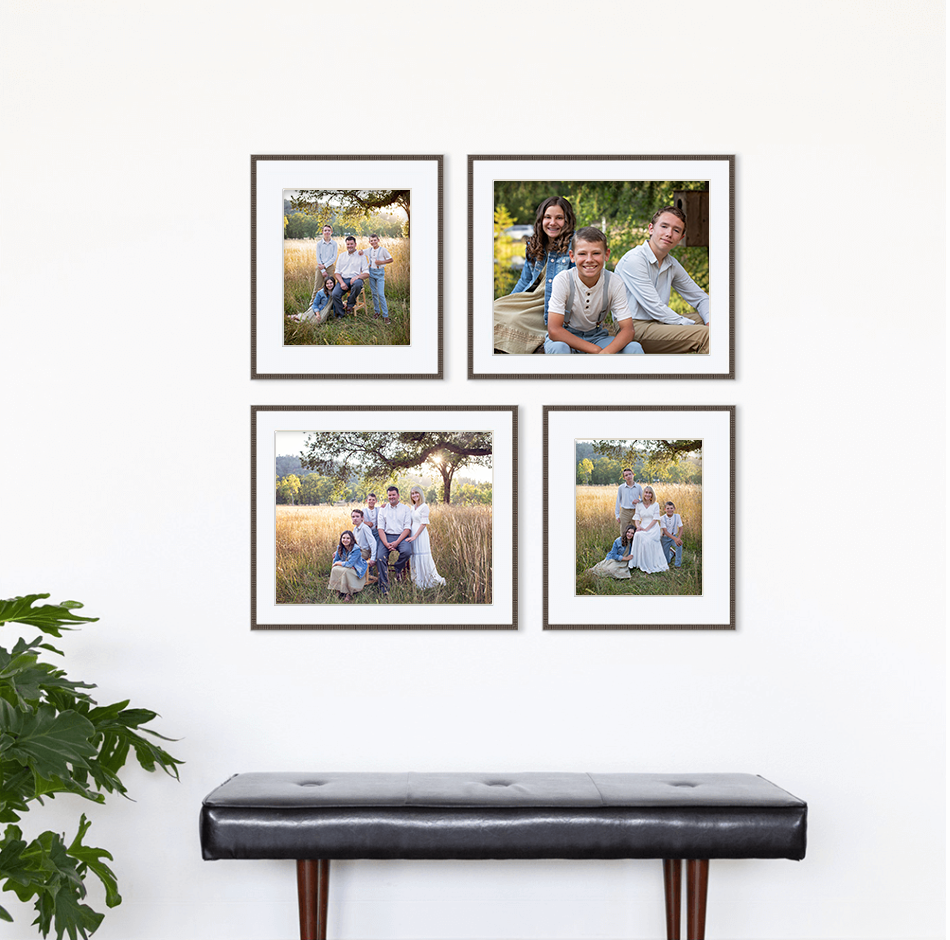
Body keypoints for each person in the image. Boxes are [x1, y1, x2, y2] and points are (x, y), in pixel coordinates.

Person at [613, 206, 710, 354]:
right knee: (707, 335)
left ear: (681, 238)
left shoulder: (671, 264)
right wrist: (695, 326)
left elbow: (701, 298)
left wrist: (710, 321)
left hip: (658, 323)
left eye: (676, 230)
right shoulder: (634, 260)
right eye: (664, 226)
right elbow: (656, 308)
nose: (669, 234)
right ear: (651, 228)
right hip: (632, 327)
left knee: (721, 321)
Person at [492, 195, 576, 354]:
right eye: (548, 217)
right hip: (532, 299)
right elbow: (524, 281)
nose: (552, 222)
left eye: (559, 218)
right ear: (540, 220)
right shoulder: (534, 243)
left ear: (567, 221)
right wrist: (511, 303)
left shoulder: (576, 243)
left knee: (514, 320)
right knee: (494, 309)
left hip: (553, 305)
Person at [544, 227, 644, 356]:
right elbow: (554, 330)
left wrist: (605, 353)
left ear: (606, 255)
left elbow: (628, 330)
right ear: (572, 256)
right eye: (582, 254)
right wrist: (596, 351)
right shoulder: (563, 280)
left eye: (596, 253)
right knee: (559, 348)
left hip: (598, 338)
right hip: (566, 338)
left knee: (634, 347)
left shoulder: (614, 282)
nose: (589, 259)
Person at [405, 486, 446, 588]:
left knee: (422, 555)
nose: (414, 495)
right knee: (414, 555)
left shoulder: (424, 507)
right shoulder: (412, 507)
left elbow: (423, 524)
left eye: (416, 493)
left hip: (420, 534)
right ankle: (417, 579)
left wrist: (414, 536)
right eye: (412, 493)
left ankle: (427, 580)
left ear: (420, 494)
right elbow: (410, 521)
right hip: (412, 533)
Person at [376, 485, 413, 594]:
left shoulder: (405, 509)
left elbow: (407, 528)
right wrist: (386, 543)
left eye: (393, 495)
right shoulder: (383, 509)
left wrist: (397, 542)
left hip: (401, 536)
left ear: (398, 495)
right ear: (387, 496)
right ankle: (384, 587)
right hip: (386, 536)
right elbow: (380, 528)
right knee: (380, 557)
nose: (391, 497)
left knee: (407, 552)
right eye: (389, 495)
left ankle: (398, 567)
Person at [630, 486, 669, 574]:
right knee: (637, 535)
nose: (647, 494)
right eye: (646, 492)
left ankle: (649, 563)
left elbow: (655, 519)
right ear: (643, 494)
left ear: (652, 494)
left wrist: (646, 529)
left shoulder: (655, 504)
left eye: (649, 492)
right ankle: (638, 562)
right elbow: (636, 517)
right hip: (643, 525)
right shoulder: (639, 505)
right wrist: (638, 526)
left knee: (646, 539)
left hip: (653, 527)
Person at [331, 236, 369, 318]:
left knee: (358, 284)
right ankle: (341, 313)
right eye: (348, 244)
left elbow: (367, 273)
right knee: (335, 294)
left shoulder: (361, 256)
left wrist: (357, 277)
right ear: (346, 245)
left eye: (351, 244)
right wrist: (341, 283)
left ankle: (350, 305)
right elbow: (337, 273)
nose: (350, 246)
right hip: (343, 279)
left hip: (356, 279)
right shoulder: (341, 256)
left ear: (355, 244)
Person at [327, 530, 368, 602]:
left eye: (348, 538)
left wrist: (339, 563)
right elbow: (335, 560)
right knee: (335, 569)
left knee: (346, 571)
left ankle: (348, 593)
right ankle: (338, 590)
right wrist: (339, 563)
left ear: (351, 539)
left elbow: (349, 564)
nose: (345, 540)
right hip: (347, 565)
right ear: (341, 539)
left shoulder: (356, 549)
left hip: (357, 567)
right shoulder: (339, 547)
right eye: (343, 538)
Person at [365, 233, 394, 324]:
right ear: (369, 242)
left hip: (380, 273)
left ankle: (385, 315)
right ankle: (377, 311)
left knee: (380, 294)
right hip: (371, 272)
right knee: (374, 293)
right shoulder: (369, 250)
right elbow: (360, 252)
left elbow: (391, 259)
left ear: (378, 240)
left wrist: (381, 262)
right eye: (371, 241)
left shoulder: (383, 250)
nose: (373, 242)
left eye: (375, 240)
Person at [615, 468, 643, 534]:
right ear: (624, 478)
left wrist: (638, 500)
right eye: (626, 475)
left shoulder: (638, 487)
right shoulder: (621, 488)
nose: (628, 476)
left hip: (635, 511)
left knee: (636, 531)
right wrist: (617, 515)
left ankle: (634, 544)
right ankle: (624, 544)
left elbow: (643, 499)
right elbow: (618, 501)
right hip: (624, 512)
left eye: (630, 474)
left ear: (633, 475)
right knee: (623, 531)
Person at [350, 508, 377, 575]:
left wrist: (373, 558)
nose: (355, 518)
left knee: (351, 562)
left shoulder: (365, 528)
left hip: (364, 551)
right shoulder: (355, 529)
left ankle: (359, 578)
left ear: (362, 518)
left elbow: (373, 543)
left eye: (357, 516)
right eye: (353, 517)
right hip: (356, 550)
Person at [659, 501, 684, 568]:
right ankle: (672, 553)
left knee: (679, 545)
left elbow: (681, 528)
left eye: (671, 508)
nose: (670, 510)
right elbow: (665, 531)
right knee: (667, 561)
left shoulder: (677, 516)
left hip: (674, 537)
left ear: (674, 508)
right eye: (668, 508)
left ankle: (677, 565)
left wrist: (678, 538)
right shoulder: (662, 518)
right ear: (665, 509)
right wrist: (675, 539)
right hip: (664, 538)